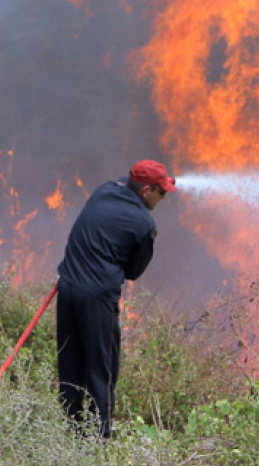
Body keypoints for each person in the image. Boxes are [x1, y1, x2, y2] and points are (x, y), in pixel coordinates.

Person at [56, 159, 175, 438]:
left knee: (70, 364)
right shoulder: (145, 223)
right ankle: (100, 440)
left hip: (68, 288)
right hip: (97, 301)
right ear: (146, 191)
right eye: (162, 192)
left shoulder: (103, 190)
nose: (164, 198)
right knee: (102, 368)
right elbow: (133, 271)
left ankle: (72, 432)